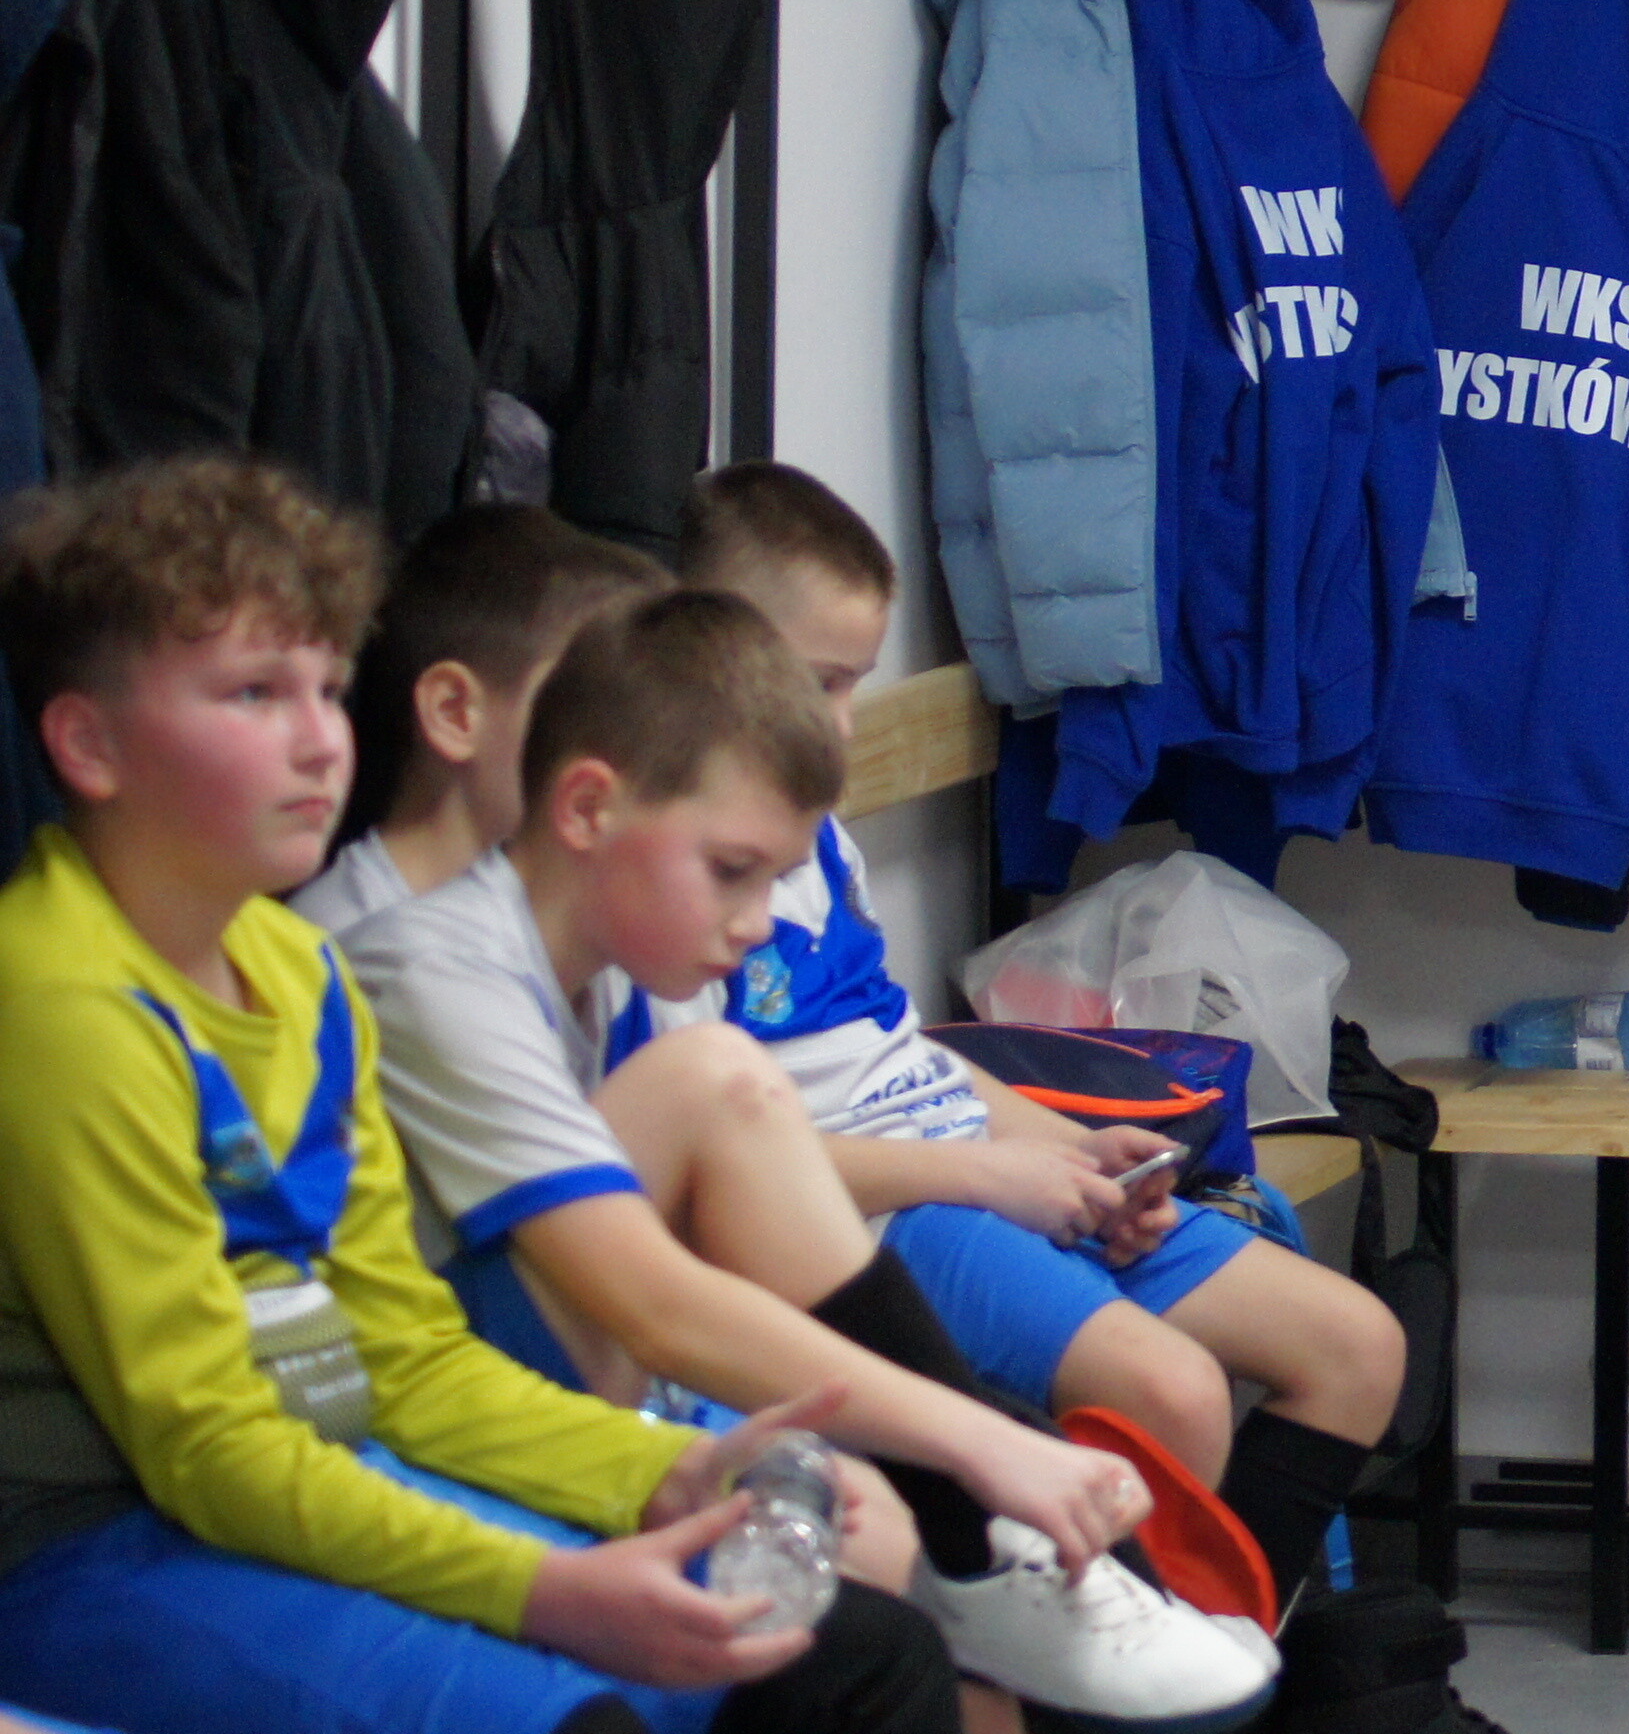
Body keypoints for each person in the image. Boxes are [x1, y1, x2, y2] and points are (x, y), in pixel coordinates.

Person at [0, 453, 962, 1734]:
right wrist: (546, 1589)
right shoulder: (56, 996)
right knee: (596, 1715)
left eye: (328, 686)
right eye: (253, 691)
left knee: (858, 1654)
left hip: (318, 1461)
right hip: (91, 1547)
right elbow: (208, 1447)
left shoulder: (295, 967)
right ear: (88, 742)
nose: (319, 738)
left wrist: (666, 1467)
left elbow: (401, 1353)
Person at [333, 586, 1277, 1726]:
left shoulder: (644, 964)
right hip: (452, 1411)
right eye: (731, 870)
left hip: (622, 1380)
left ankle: (979, 1552)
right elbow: (654, 1300)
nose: (754, 923)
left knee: (950, 1630)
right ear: (584, 808)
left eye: (772, 880)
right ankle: (974, 1526)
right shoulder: (434, 968)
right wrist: (978, 1443)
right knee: (718, 1084)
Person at [656, 461, 1403, 1624]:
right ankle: (1135, 1672)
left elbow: (902, 1054)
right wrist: (995, 1173)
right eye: (817, 682)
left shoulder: (818, 842)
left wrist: (1074, 1150)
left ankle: (1227, 1659)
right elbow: (728, 1169)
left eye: (855, 684)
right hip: (881, 1216)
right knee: (1175, 1395)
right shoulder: (669, 885)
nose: (840, 723)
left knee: (1355, 1345)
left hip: (979, 1164)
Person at [290, 501, 664, 934]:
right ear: (454, 713)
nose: (639, 751)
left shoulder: (567, 924)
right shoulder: (334, 936)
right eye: (591, 704)